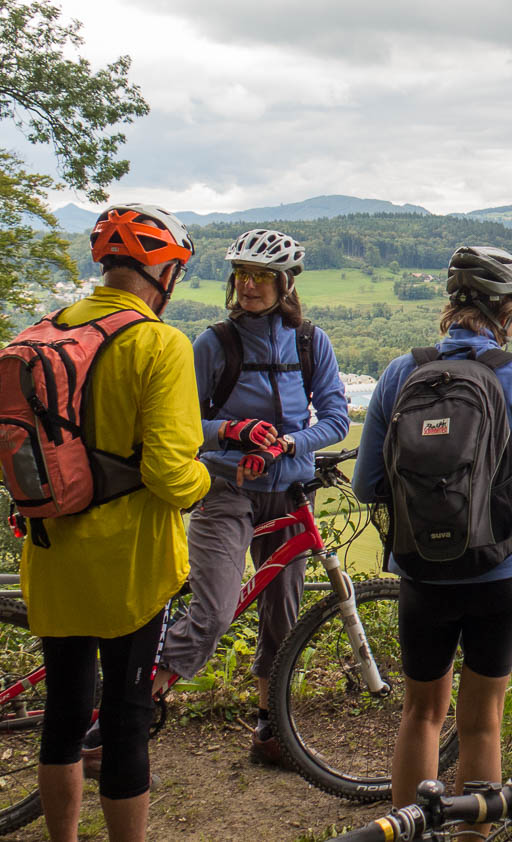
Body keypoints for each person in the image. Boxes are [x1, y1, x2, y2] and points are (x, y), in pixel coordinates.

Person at [97, 227, 349, 767]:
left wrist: (288, 442)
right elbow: (181, 421)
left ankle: (269, 726)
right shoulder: (215, 343)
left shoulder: (310, 341)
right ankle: (127, 715)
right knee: (214, 610)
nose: (249, 285)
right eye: (241, 275)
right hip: (226, 489)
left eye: (261, 276)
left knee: (283, 616)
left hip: (288, 492)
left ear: (285, 284)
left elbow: (333, 419)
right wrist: (233, 432)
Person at [21, 204, 211, 842]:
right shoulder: (160, 344)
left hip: (51, 554)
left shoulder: (43, 333)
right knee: (126, 722)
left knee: (64, 716)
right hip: (130, 569)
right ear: (166, 272)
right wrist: (209, 480)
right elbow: (169, 473)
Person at [352, 245, 512, 807]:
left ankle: (406, 829)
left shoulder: (403, 372)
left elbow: (364, 483)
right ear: (508, 312)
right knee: (483, 724)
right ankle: (475, 832)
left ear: (453, 303)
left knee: (421, 715)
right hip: (502, 572)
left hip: (423, 571)